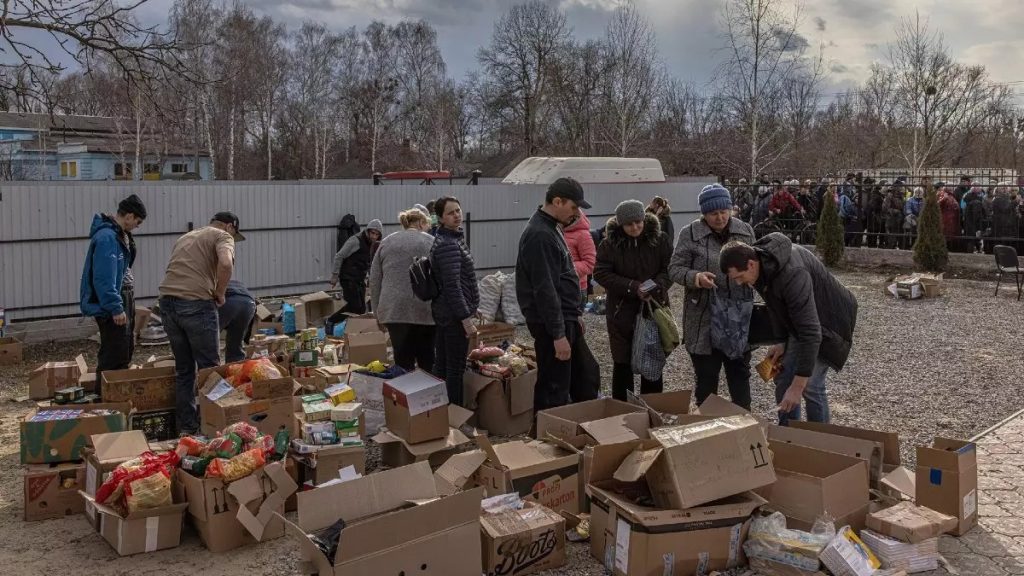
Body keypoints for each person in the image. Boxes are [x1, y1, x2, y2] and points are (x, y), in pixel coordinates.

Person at [720, 233, 858, 425]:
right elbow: (774, 305)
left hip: (830, 321)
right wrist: (781, 341)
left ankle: (821, 443)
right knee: (783, 376)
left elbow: (811, 333)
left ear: (751, 264)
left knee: (811, 385)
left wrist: (798, 386)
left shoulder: (792, 273)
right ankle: (788, 436)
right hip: (802, 320)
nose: (738, 282)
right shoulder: (760, 266)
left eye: (739, 276)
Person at [669, 185, 755, 409]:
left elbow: (757, 266)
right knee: (706, 380)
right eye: (713, 213)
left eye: (724, 211)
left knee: (739, 377)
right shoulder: (690, 234)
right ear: (704, 214)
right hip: (703, 317)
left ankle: (744, 427)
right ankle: (706, 431)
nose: (720, 217)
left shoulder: (745, 231)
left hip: (737, 316)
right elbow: (674, 268)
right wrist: (695, 277)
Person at [159, 212, 243, 435]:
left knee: (184, 370)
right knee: (210, 370)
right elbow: (225, 264)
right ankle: (214, 427)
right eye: (234, 232)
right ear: (229, 227)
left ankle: (187, 428)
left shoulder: (187, 237)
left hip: (167, 303)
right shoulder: (223, 236)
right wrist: (221, 293)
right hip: (196, 303)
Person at [516, 177, 590, 412]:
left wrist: (574, 313)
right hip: (551, 325)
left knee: (578, 378)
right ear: (557, 201)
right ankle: (545, 439)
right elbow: (545, 289)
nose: (576, 213)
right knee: (553, 387)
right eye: (574, 207)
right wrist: (558, 334)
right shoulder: (540, 235)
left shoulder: (551, 227)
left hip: (564, 317)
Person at [595, 200, 673, 401]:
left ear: (644, 219)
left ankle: (653, 408)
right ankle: (622, 411)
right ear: (621, 225)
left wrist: (655, 287)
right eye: (629, 224)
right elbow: (601, 273)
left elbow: (669, 269)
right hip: (622, 312)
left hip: (653, 308)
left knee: (653, 359)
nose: (635, 227)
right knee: (622, 363)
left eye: (638, 222)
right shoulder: (609, 244)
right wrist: (631, 286)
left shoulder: (660, 239)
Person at [79, 194, 147, 390]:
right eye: (138, 221)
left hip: (123, 297)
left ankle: (117, 395)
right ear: (129, 216)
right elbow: (104, 277)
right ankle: (108, 399)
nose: (137, 226)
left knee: (124, 348)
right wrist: (115, 307)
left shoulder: (119, 235)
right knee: (114, 352)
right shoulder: (107, 238)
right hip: (115, 300)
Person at [369, 208, 436, 372]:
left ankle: (404, 395)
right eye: (427, 224)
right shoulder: (431, 241)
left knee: (403, 362)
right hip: (425, 310)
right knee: (427, 360)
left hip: (394, 310)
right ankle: (428, 394)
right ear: (421, 222)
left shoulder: (387, 242)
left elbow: (375, 279)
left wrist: (377, 312)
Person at [431, 197, 479, 406]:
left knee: (442, 364)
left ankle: (439, 413)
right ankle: (455, 416)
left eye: (458, 211)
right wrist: (465, 317)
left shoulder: (451, 239)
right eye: (451, 213)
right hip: (452, 316)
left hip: (447, 312)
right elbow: (452, 285)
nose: (457, 215)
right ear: (441, 218)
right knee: (454, 367)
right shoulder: (448, 244)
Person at [329, 219, 382, 320]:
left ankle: (350, 328)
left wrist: (370, 279)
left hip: (359, 279)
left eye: (376, 234)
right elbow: (339, 256)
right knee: (355, 306)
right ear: (368, 231)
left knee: (361, 309)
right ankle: (331, 320)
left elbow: (369, 263)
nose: (374, 236)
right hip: (348, 277)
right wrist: (334, 275)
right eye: (372, 233)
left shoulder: (373, 245)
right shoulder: (355, 241)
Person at [564, 209, 596, 305]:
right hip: (559, 285)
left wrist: (563, 269)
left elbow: (590, 263)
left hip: (577, 287)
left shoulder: (583, 234)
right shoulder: (556, 232)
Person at [219, 279, 256, 363]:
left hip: (229, 300)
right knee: (235, 343)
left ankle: (209, 372)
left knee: (209, 339)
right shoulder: (232, 282)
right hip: (249, 303)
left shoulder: (212, 280)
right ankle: (235, 371)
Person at [962, 186, 987, 253]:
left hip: (968, 223)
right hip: (975, 224)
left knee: (970, 239)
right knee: (976, 238)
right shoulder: (977, 202)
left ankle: (970, 251)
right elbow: (977, 215)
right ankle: (978, 250)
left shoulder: (968, 202)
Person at [938, 186, 962, 252]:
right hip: (946, 220)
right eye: (950, 188)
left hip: (952, 220)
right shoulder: (943, 196)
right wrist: (944, 198)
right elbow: (938, 205)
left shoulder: (952, 197)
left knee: (951, 237)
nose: (951, 189)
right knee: (946, 236)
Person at [882, 184, 905, 249]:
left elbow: (902, 206)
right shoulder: (888, 197)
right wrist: (895, 211)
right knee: (890, 233)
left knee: (896, 232)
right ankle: (889, 246)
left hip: (898, 218)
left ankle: (894, 245)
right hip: (890, 218)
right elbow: (885, 208)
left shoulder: (900, 197)